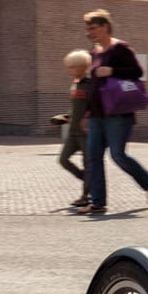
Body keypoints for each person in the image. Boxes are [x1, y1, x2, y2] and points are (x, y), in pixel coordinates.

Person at [81, 9, 148, 216]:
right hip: (97, 115)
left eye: (93, 28)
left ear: (105, 27)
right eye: (88, 29)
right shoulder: (95, 53)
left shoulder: (121, 49)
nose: (89, 33)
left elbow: (137, 72)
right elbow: (92, 86)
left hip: (118, 113)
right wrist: (86, 113)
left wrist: (112, 71)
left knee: (118, 155)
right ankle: (98, 203)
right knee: (93, 157)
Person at [51, 49, 93, 208]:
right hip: (73, 133)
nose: (70, 71)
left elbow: (94, 106)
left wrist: (87, 118)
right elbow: (74, 109)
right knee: (63, 160)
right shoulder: (74, 86)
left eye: (72, 68)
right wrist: (64, 118)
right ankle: (88, 179)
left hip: (85, 133)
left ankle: (85, 196)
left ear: (83, 67)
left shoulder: (89, 86)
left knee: (88, 164)